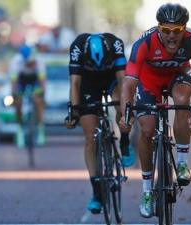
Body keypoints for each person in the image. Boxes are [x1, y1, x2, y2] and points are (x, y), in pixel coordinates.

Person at [119, 3, 191, 218]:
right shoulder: (143, 43)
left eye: (177, 30)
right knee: (147, 130)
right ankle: (147, 190)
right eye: (166, 30)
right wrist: (125, 116)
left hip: (177, 77)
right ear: (158, 28)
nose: (171, 36)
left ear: (184, 29)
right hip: (148, 82)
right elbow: (128, 84)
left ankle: (182, 163)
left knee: (182, 100)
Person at [65, 33, 135, 214]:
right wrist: (73, 111)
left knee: (123, 105)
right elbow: (75, 83)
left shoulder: (116, 44)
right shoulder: (77, 47)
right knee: (90, 137)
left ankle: (125, 141)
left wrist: (127, 111)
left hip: (111, 77)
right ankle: (96, 193)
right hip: (88, 82)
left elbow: (123, 81)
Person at [9, 44, 46, 148]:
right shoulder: (16, 61)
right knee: (17, 101)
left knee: (38, 100)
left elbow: (42, 82)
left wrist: (41, 93)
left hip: (34, 81)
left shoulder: (39, 60)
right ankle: (20, 129)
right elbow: (14, 83)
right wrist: (15, 94)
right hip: (21, 81)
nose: (32, 65)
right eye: (30, 63)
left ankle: (40, 130)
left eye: (34, 63)